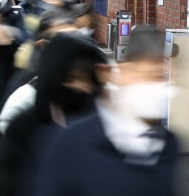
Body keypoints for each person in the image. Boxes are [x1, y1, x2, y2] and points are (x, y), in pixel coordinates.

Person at [36, 26, 178, 196]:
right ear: (124, 73)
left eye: (163, 78)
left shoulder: (168, 145)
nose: (157, 87)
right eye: (149, 76)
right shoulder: (72, 142)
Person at [0, 33, 106, 196]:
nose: (84, 87)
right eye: (72, 78)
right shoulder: (23, 125)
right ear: (56, 76)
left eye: (88, 79)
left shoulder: (101, 121)